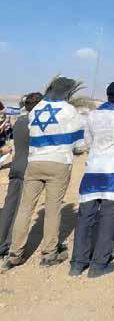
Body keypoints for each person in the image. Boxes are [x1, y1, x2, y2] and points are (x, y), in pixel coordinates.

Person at [2, 77, 84, 272]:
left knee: (25, 209)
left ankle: (14, 254)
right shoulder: (69, 110)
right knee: (53, 209)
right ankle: (49, 254)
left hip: (35, 162)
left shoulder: (36, 109)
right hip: (58, 163)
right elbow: (79, 144)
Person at [70, 81, 114, 278]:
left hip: (93, 171)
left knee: (85, 217)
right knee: (108, 218)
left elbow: (87, 142)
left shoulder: (93, 115)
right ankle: (98, 264)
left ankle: (77, 264)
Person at [0, 92, 43, 257]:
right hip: (28, 169)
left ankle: (1, 241)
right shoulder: (36, 124)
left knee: (9, 206)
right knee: (20, 209)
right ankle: (11, 243)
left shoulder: (19, 121)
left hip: (16, 166)